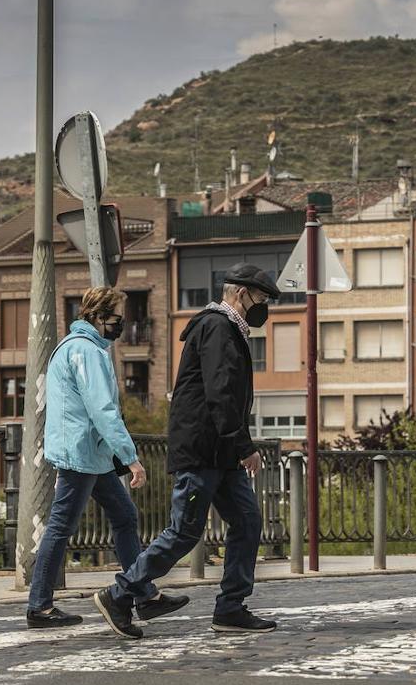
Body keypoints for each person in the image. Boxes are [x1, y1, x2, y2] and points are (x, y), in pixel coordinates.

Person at [93, 263, 280, 640]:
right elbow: (220, 393)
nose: (263, 307)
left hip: (220, 454)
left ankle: (230, 608)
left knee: (246, 522)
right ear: (241, 294)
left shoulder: (228, 329)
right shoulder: (217, 327)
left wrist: (234, 446)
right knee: (184, 532)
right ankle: (120, 594)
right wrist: (244, 446)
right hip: (202, 451)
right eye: (261, 298)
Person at [25, 286, 188, 628]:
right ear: (98, 317)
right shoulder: (86, 352)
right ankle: (39, 606)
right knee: (61, 526)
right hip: (80, 454)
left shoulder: (76, 348)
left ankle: (144, 595)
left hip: (88, 453)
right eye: (116, 318)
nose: (121, 325)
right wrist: (131, 457)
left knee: (125, 515)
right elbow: (103, 410)